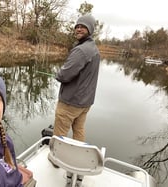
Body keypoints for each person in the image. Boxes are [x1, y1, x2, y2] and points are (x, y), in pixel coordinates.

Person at [52, 14, 100, 186]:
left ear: (90, 30)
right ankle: (79, 158)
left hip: (70, 102)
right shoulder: (93, 48)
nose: (78, 28)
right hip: (85, 103)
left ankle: (56, 159)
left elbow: (64, 74)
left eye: (83, 26)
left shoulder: (81, 50)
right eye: (77, 26)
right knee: (79, 131)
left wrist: (57, 74)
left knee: (60, 133)